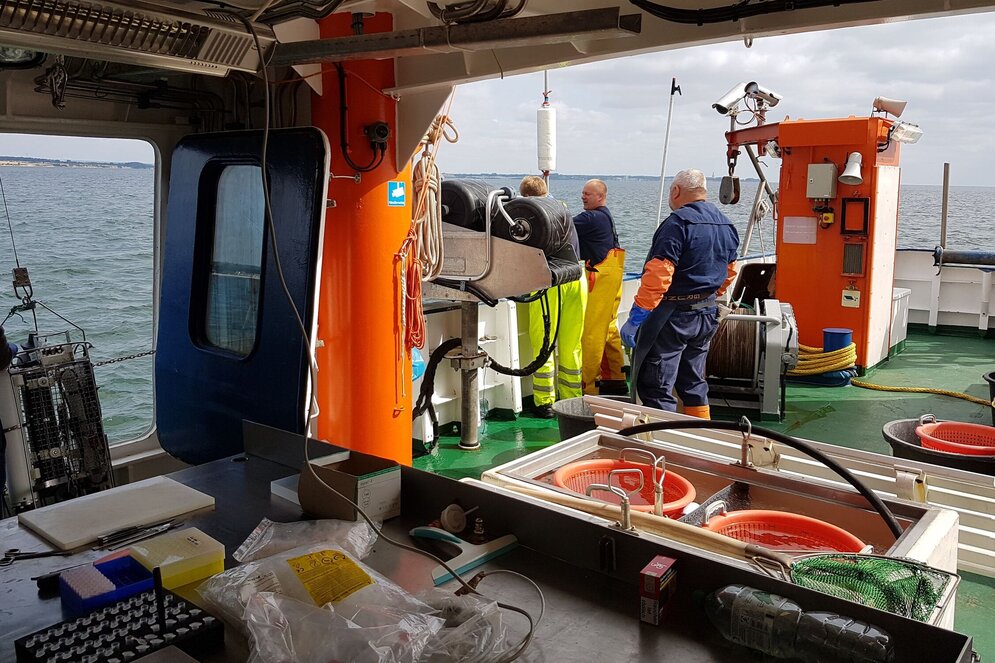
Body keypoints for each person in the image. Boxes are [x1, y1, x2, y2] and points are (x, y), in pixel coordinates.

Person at [620, 169, 739, 418]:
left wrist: (637, 316)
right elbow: (729, 271)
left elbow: (659, 273)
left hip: (673, 319)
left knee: (657, 385)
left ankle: (665, 445)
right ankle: (701, 438)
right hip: (706, 315)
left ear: (676, 191)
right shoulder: (726, 224)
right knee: (693, 382)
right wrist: (707, 295)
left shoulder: (677, 224)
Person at [519, 175, 588, 418]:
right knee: (572, 345)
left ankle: (545, 402)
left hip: (551, 281)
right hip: (577, 278)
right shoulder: (563, 208)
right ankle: (572, 400)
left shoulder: (531, 214)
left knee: (544, 343)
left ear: (525, 197)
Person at [573, 179, 627, 396]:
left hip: (600, 278)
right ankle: (615, 378)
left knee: (592, 333)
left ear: (600, 197)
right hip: (614, 276)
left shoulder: (591, 218)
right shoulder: (605, 216)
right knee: (609, 328)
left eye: (588, 194)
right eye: (583, 193)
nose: (583, 197)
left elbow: (561, 225)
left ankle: (589, 385)